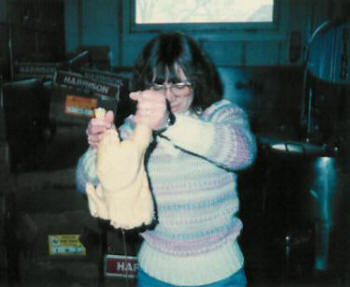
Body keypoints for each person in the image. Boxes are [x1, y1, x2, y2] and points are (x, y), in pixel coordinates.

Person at [76, 31, 256, 287]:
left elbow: (243, 153)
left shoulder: (221, 114)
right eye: (158, 85)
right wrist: (98, 148)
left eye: (179, 84)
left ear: (198, 80)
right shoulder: (133, 128)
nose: (169, 95)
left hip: (221, 274)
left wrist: (169, 124)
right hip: (156, 274)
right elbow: (85, 183)